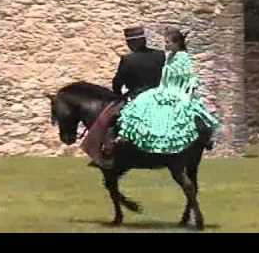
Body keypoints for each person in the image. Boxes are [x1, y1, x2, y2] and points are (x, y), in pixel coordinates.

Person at [116, 27, 220, 154]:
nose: (165, 45)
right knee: (144, 103)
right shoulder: (165, 56)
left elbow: (189, 78)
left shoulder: (181, 58)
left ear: (176, 43)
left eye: (168, 42)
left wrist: (184, 93)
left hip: (175, 91)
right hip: (162, 89)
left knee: (141, 105)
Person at [82, 26, 165, 168]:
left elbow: (118, 82)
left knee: (105, 118)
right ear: (144, 40)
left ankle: (108, 150)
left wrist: (118, 95)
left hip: (137, 96)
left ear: (131, 43)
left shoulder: (128, 59)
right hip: (160, 95)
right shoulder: (160, 55)